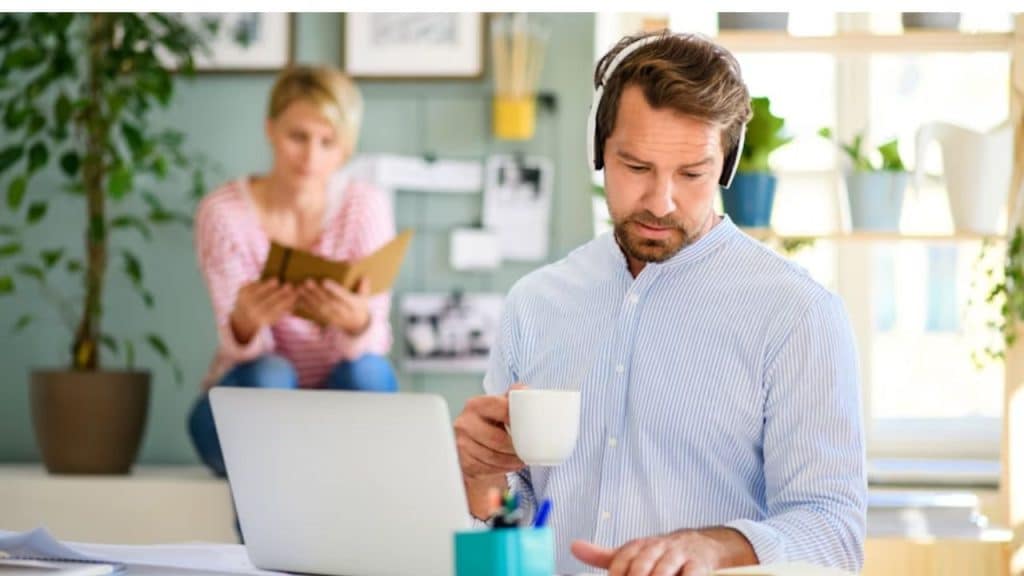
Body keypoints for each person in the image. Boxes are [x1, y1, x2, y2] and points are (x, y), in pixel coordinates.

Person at [453, 31, 866, 576]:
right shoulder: (536, 303)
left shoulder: (796, 314)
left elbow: (834, 533)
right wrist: (482, 482)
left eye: (692, 174)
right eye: (637, 167)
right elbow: (520, 517)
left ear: (726, 163)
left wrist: (714, 546)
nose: (660, 201)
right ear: (598, 151)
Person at [188, 66, 398, 478]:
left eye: (328, 142)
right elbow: (242, 352)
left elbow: (373, 342)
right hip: (247, 400)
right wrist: (245, 323)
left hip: (336, 405)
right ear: (270, 129)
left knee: (367, 371)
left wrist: (357, 322)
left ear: (346, 149)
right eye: (297, 136)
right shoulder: (224, 214)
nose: (311, 157)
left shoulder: (365, 207)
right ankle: (264, 538)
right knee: (271, 373)